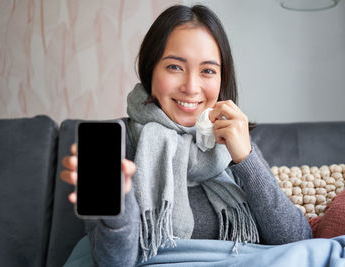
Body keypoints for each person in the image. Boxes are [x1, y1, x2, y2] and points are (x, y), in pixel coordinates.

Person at [60, 4, 312, 266]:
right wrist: (119, 201)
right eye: (174, 67)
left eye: (208, 71)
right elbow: (115, 261)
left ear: (222, 79)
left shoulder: (234, 144)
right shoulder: (115, 143)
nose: (191, 87)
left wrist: (246, 159)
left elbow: (297, 241)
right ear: (151, 71)